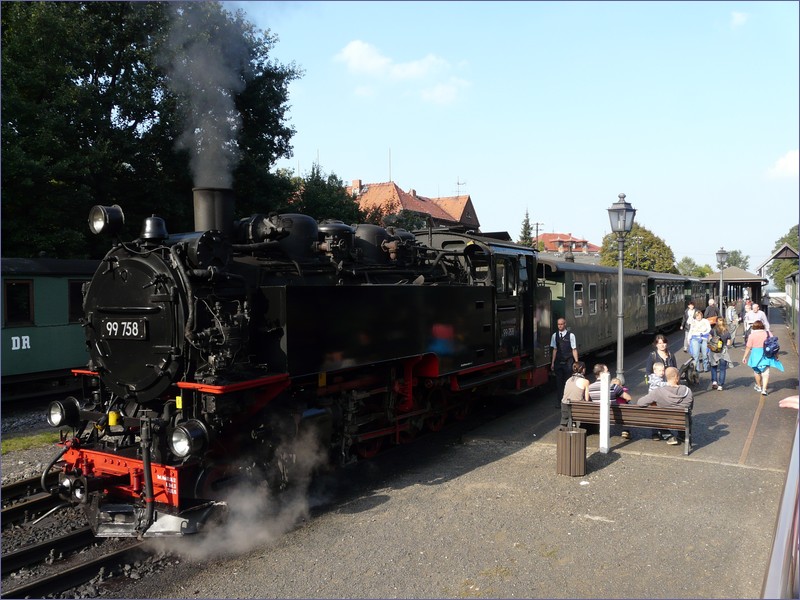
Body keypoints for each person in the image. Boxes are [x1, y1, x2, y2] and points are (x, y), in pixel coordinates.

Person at [636, 366, 694, 445]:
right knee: (686, 413)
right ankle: (683, 435)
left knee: (656, 414)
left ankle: (668, 435)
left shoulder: (658, 392)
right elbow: (691, 407)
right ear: (677, 377)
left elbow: (640, 403)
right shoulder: (687, 391)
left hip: (665, 420)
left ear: (666, 377)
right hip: (684, 421)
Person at [586, 364, 633, 438]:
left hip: (597, 415)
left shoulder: (590, 387)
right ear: (601, 374)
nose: (609, 373)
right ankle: (625, 429)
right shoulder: (613, 386)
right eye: (607, 371)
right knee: (628, 403)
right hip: (614, 416)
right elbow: (628, 397)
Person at [742, 320, 784, 396]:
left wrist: (744, 357)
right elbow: (774, 345)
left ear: (754, 327)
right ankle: (764, 390)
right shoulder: (768, 333)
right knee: (765, 373)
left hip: (755, 355)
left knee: (757, 372)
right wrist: (776, 355)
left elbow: (748, 347)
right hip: (766, 354)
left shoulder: (752, 335)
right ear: (762, 326)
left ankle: (759, 386)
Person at [550, 317, 579, 406]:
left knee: (567, 381)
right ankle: (560, 401)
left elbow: (574, 349)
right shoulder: (555, 335)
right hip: (558, 362)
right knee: (559, 382)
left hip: (568, 361)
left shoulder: (571, 335)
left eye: (561, 324)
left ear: (565, 324)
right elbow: (554, 349)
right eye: (558, 324)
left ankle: (567, 400)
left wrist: (577, 362)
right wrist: (553, 362)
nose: (560, 326)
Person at [559, 361, 589, 426]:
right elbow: (587, 399)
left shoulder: (568, 380)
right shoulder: (585, 381)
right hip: (577, 409)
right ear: (583, 369)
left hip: (564, 408)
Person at [708, 319, 733, 390]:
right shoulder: (727, 332)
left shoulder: (713, 330)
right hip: (723, 352)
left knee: (713, 367)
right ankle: (720, 385)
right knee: (722, 369)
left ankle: (714, 382)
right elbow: (728, 344)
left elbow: (709, 339)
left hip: (714, 352)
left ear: (716, 323)